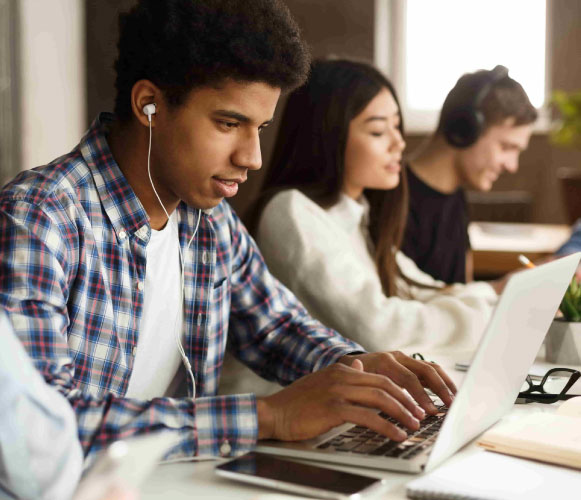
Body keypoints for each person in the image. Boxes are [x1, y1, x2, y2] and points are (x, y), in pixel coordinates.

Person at [0, 0, 456, 463]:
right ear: (148, 105)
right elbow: (36, 431)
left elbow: (276, 328)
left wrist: (356, 370)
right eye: (229, 123)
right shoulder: (39, 219)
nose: (252, 157)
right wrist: (269, 416)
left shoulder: (209, 219)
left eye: (260, 127)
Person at [247, 58, 497, 357]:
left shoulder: (357, 214)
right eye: (379, 132)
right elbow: (381, 330)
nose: (399, 143)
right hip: (278, 399)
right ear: (329, 136)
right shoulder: (291, 212)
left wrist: (494, 293)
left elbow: (422, 289)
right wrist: (488, 310)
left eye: (397, 126)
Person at [401, 66, 537, 284]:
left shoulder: (455, 196)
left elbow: (463, 294)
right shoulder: (393, 200)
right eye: (506, 147)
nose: (512, 166)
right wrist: (501, 289)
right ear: (465, 130)